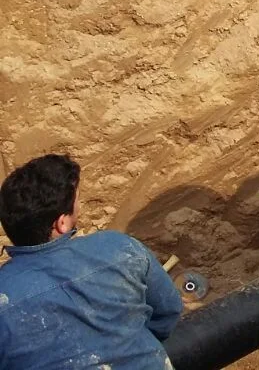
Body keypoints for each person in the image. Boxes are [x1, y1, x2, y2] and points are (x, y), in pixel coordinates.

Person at [0, 153, 183, 370]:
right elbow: (168, 311)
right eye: (77, 200)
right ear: (62, 224)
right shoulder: (120, 248)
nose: (79, 205)